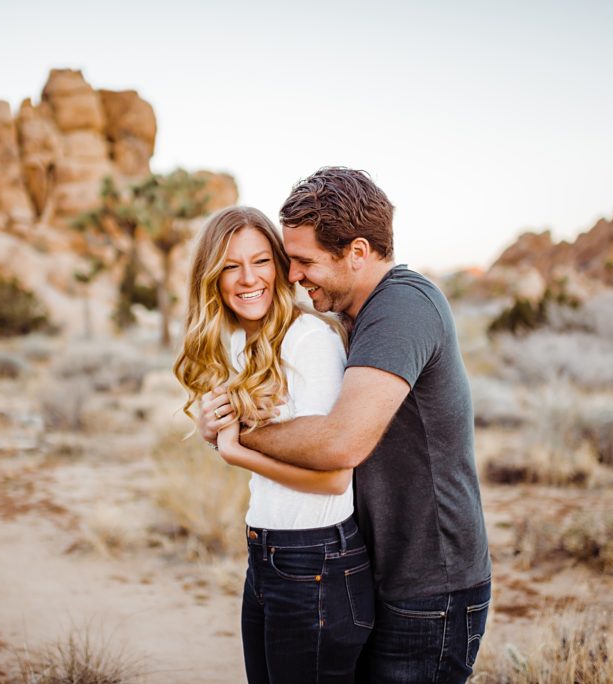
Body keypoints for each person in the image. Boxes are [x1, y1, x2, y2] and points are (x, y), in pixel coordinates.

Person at [197, 169, 492, 683]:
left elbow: (341, 442)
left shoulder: (402, 308)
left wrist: (237, 433)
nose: (292, 277)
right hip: (375, 570)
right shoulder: (352, 314)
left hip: (429, 586)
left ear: (357, 252)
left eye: (305, 262)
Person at [173, 206, 374, 684]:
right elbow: (263, 445)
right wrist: (212, 434)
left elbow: (333, 478)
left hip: (317, 559)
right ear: (213, 277)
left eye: (261, 261)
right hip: (264, 552)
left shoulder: (309, 341)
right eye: (230, 265)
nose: (248, 279)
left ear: (281, 266)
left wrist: (235, 451)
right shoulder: (237, 342)